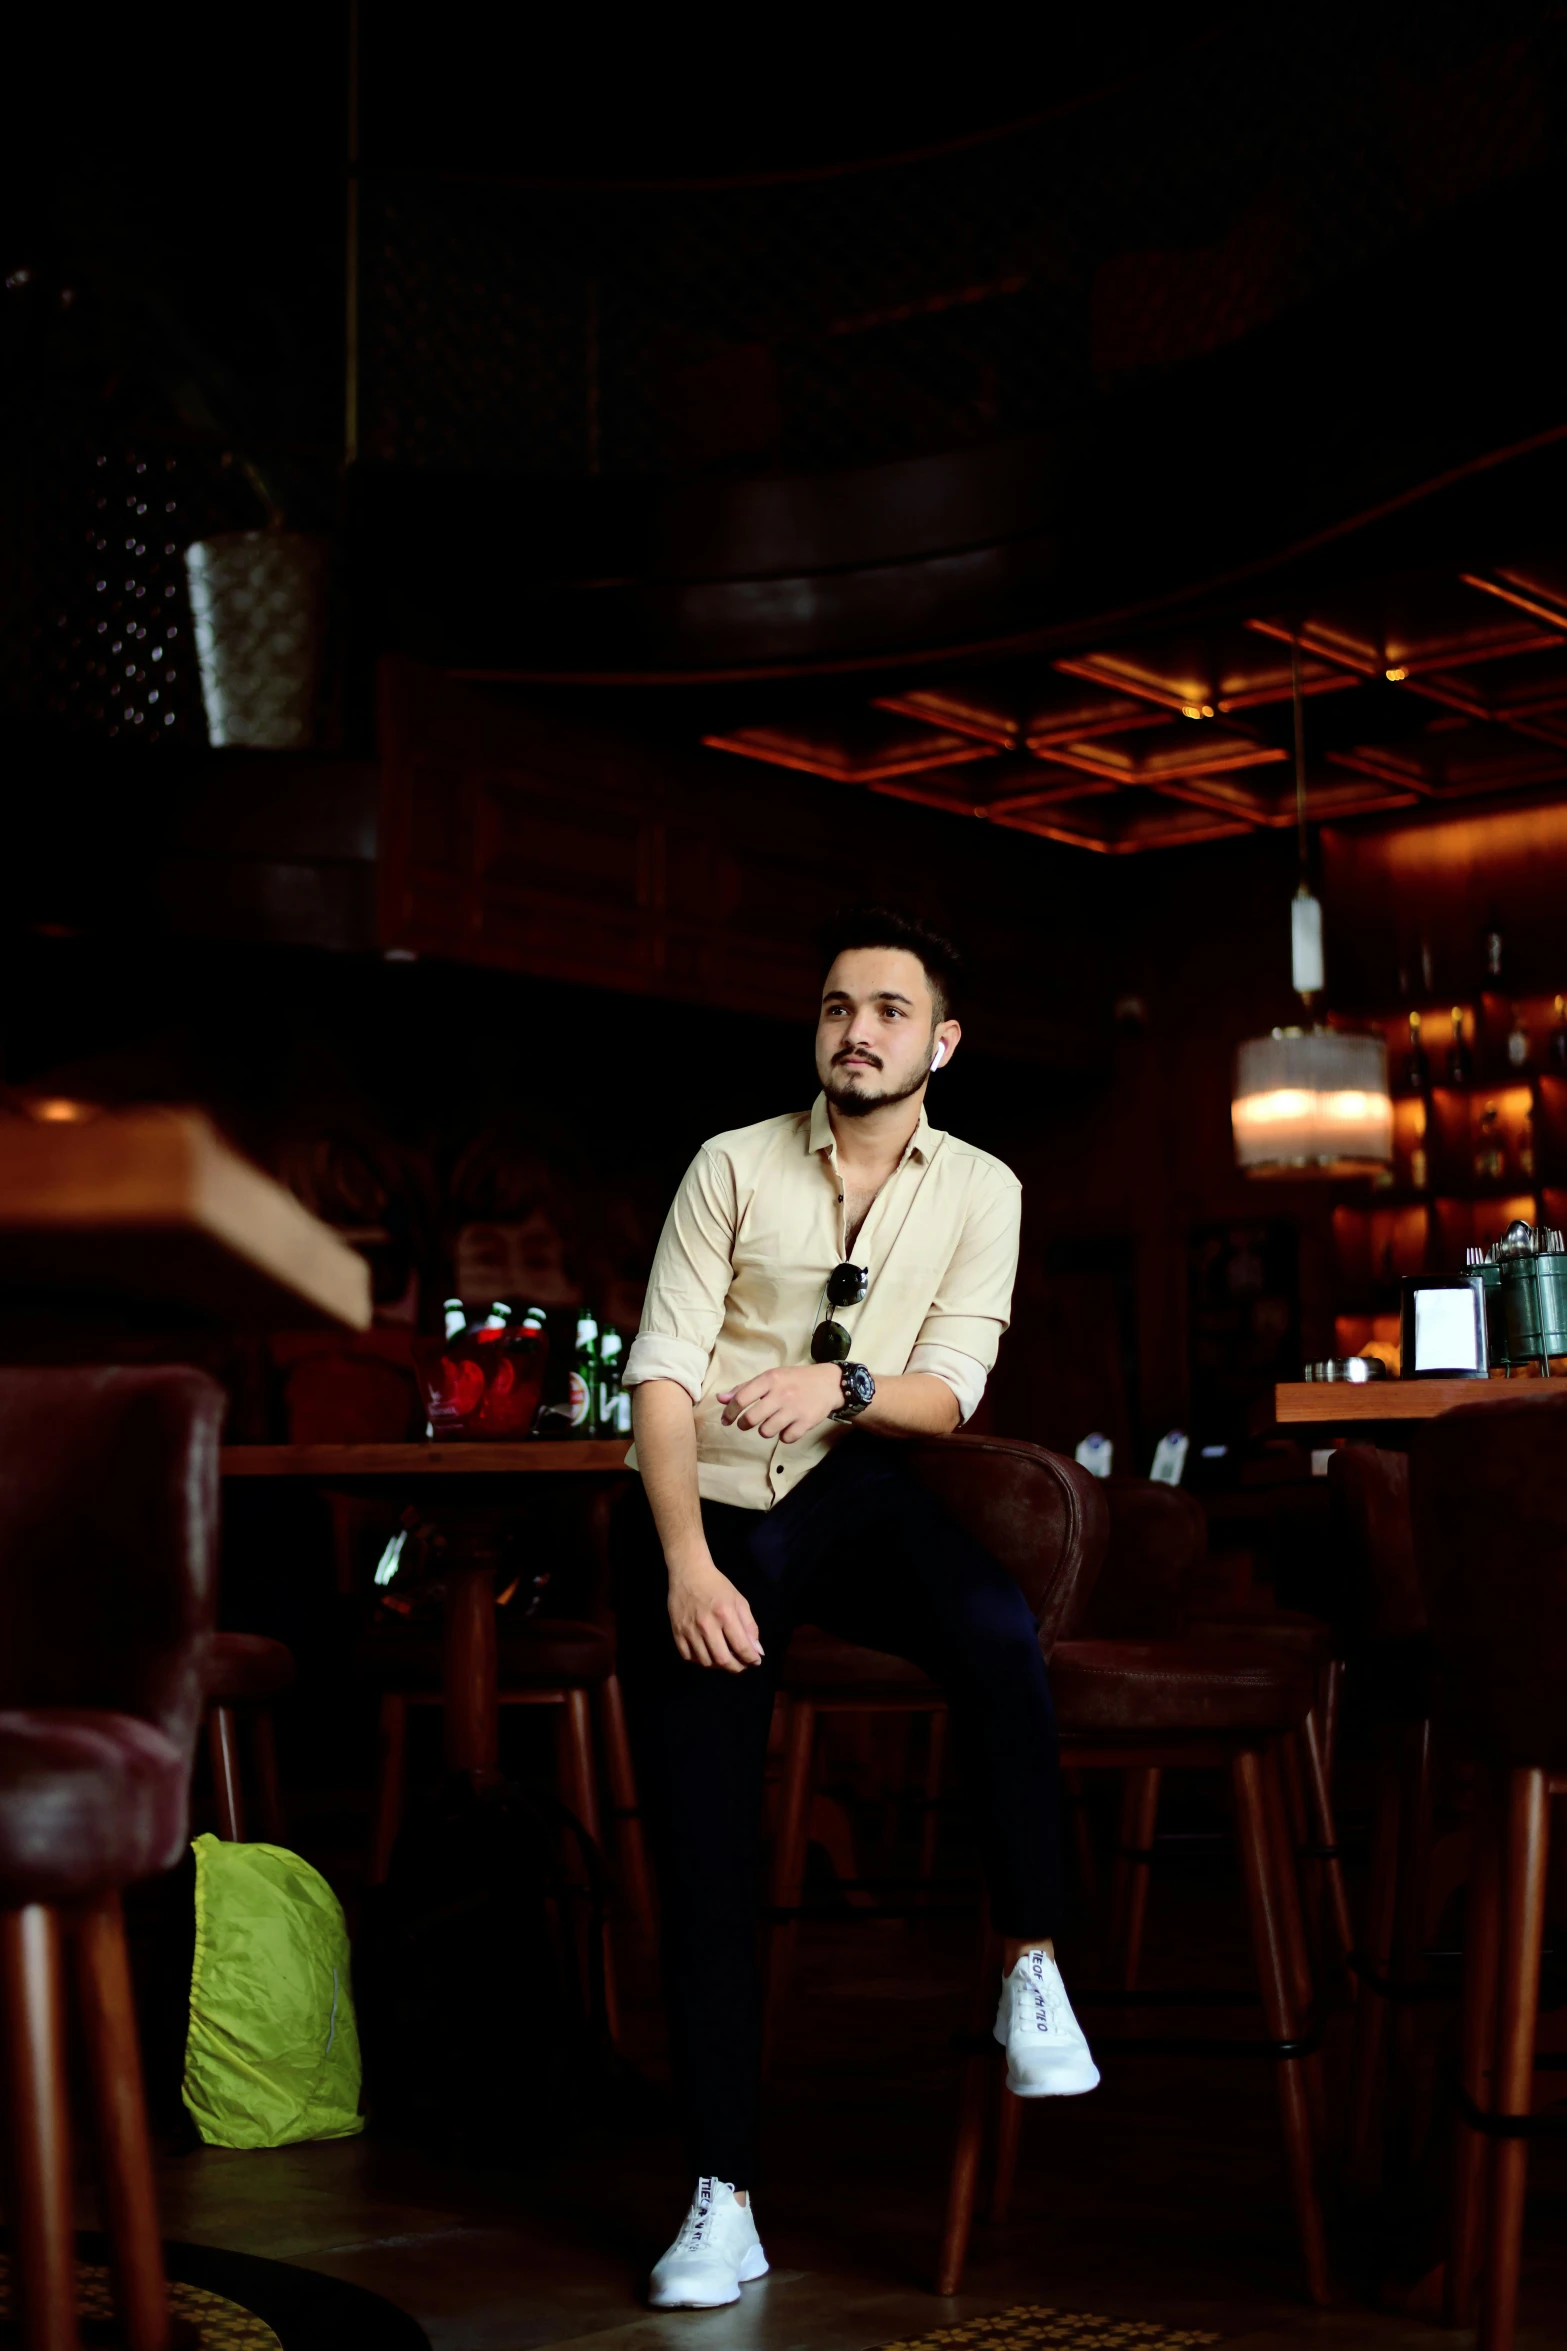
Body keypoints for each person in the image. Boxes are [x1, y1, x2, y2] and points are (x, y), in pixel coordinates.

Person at [616, 906, 1098, 2312]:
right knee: (707, 1845)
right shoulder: (728, 1165)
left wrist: (837, 1386)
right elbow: (656, 1374)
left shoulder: (981, 1188)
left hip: (855, 1484)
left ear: (938, 1042)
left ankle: (1032, 1954)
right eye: (836, 1007)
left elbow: (949, 1389)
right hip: (704, 1505)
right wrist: (681, 1566)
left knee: (997, 1630)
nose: (856, 1030)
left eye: (887, 1010)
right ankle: (722, 2194)